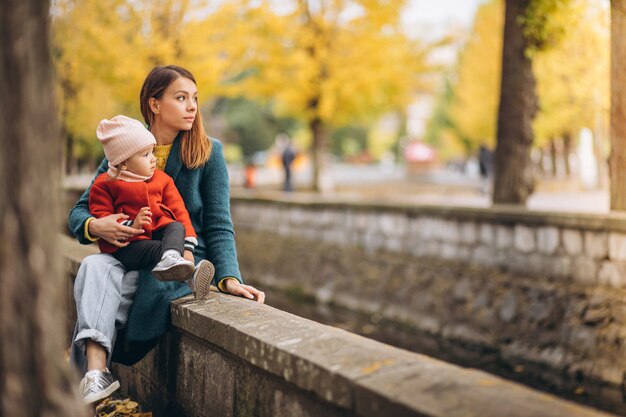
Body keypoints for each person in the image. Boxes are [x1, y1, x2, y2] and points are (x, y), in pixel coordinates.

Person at [68, 65, 265, 405]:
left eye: (195, 98)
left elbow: (219, 223)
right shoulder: (123, 148)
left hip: (176, 262)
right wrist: (97, 225)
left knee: (100, 294)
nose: (192, 106)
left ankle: (77, 378)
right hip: (128, 254)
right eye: (181, 97)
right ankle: (93, 374)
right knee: (93, 269)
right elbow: (79, 212)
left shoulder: (209, 152)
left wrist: (230, 276)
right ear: (154, 104)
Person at [90, 115, 213, 290]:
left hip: (157, 238)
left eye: (152, 152)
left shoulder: (162, 180)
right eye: (146, 155)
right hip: (127, 248)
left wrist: (188, 250)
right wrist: (132, 225)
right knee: (157, 248)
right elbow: (102, 216)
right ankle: (183, 271)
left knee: (177, 227)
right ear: (124, 163)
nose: (153, 159)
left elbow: (180, 211)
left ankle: (182, 268)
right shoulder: (104, 184)